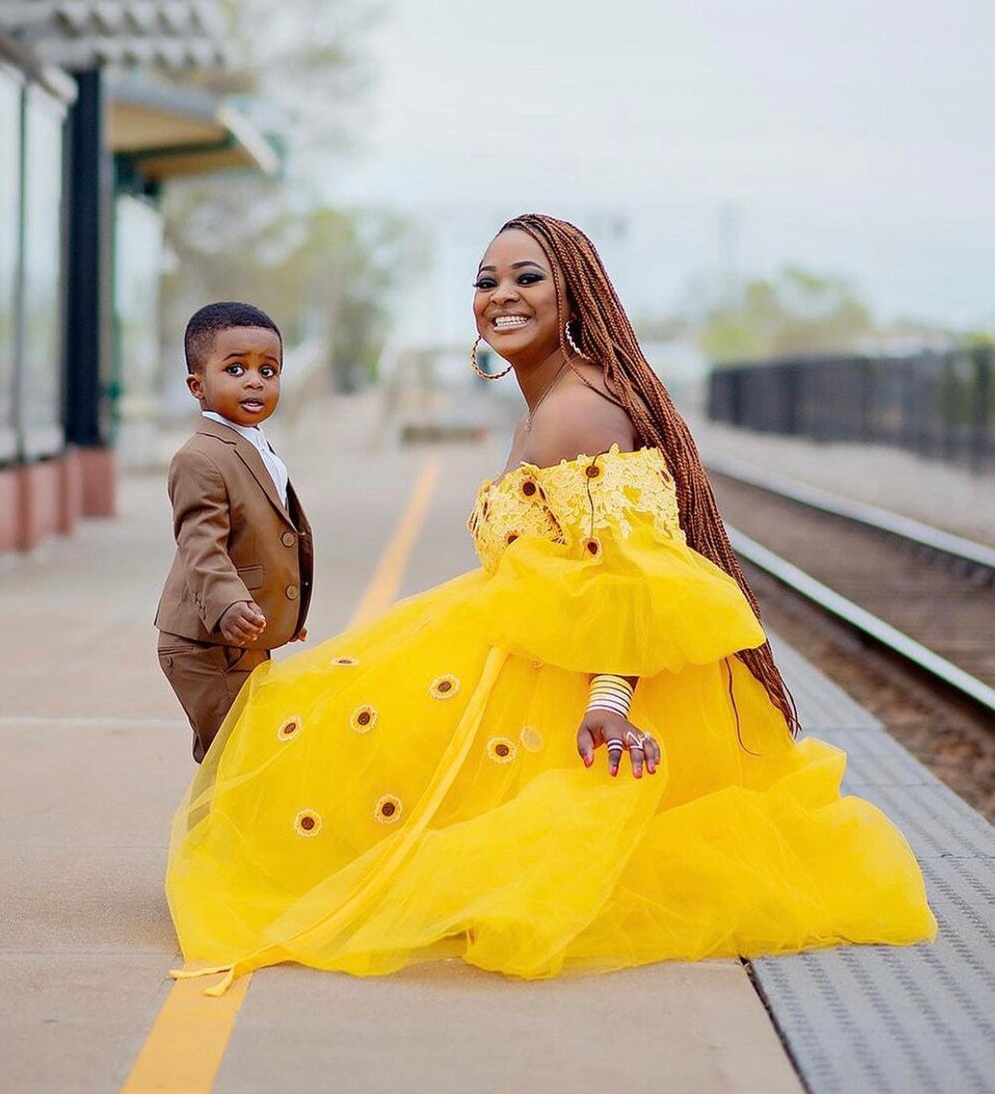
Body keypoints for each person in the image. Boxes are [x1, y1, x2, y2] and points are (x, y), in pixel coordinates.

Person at [166, 216, 935, 994]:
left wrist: (608, 701)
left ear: (576, 292)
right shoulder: (551, 398)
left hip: (576, 680)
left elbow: (639, 578)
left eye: (527, 278)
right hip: (524, 642)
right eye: (487, 281)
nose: (502, 296)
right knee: (320, 725)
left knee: (315, 738)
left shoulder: (578, 410)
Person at [156, 302, 314, 764]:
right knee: (237, 761)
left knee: (242, 755)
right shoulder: (200, 458)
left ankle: (228, 834)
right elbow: (200, 545)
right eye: (236, 368)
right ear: (196, 385)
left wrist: (283, 605)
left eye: (269, 370)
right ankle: (217, 836)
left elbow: (272, 536)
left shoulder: (254, 445)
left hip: (238, 639)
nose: (255, 381)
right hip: (208, 644)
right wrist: (229, 604)